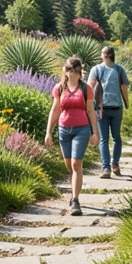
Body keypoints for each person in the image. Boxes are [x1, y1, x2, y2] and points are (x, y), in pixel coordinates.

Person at [45, 56, 99, 216]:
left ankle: (75, 200)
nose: (73, 74)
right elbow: (55, 110)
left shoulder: (86, 89)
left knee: (76, 164)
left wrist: (94, 132)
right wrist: (49, 131)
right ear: (65, 71)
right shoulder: (59, 88)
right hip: (64, 130)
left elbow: (90, 111)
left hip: (81, 129)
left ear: (80, 72)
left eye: (76, 71)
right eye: (70, 71)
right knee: (69, 165)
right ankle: (75, 186)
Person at [88, 46, 130, 179]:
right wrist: (127, 103)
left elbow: (90, 87)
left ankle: (106, 169)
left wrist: (88, 105)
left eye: (101, 52)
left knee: (104, 139)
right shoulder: (119, 69)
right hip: (117, 107)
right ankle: (115, 164)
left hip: (101, 109)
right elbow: (124, 88)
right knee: (117, 138)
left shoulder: (96, 69)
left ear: (105, 55)